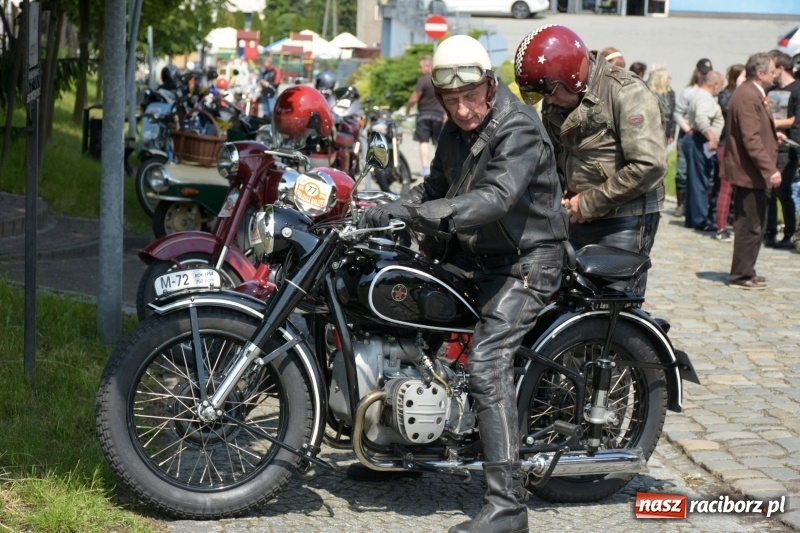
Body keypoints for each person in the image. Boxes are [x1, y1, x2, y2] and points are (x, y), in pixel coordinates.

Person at [363, 34, 568, 533]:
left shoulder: (518, 128)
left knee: (487, 365)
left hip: (528, 260)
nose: (462, 109)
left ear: (490, 86)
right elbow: (436, 187)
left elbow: (497, 196)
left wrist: (426, 213)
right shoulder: (456, 130)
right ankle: (392, 443)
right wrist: (382, 207)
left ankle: (507, 507)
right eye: (450, 100)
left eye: (470, 96)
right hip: (478, 254)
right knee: (406, 314)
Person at [514, 24, 666, 295]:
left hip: (624, 218)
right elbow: (555, 156)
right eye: (543, 93)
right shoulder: (557, 98)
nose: (549, 99)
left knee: (611, 300)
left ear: (572, 75)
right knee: (572, 298)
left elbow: (649, 165)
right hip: (577, 216)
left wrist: (588, 202)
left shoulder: (626, 92)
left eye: (551, 90)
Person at [724, 52, 782, 289]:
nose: (775, 74)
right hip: (749, 173)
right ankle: (741, 275)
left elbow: (756, 131)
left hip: (751, 172)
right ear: (760, 73)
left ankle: (748, 270)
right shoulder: (748, 95)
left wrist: (773, 135)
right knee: (750, 225)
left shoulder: (751, 93)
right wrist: (770, 169)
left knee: (755, 223)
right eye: (772, 70)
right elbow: (750, 138)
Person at [681, 70, 725, 231]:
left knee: (695, 180)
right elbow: (701, 117)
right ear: (714, 84)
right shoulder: (705, 98)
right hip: (701, 141)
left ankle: (693, 218)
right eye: (720, 85)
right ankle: (700, 220)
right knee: (700, 181)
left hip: (697, 140)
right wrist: (712, 137)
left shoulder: (698, 94)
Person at [764, 50, 800, 249]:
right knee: (768, 191)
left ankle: (789, 232)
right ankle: (769, 232)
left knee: (783, 191)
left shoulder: (797, 89)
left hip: (788, 149)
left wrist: (773, 123)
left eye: (772, 67)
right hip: (771, 146)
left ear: (781, 68)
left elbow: (796, 120)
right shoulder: (771, 90)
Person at [673, 59, 713, 217]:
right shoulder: (689, 91)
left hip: (703, 134)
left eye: (707, 73)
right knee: (682, 172)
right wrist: (687, 129)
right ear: (697, 72)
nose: (704, 75)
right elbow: (677, 113)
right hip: (688, 133)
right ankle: (681, 204)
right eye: (702, 72)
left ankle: (699, 205)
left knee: (704, 173)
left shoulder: (710, 92)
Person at [714, 63, 746, 242]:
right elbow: (730, 110)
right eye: (743, 76)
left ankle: (736, 224)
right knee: (725, 187)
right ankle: (720, 227)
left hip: (741, 145)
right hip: (726, 144)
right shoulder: (725, 94)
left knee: (739, 187)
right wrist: (740, 88)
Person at [405, 56, 445, 178]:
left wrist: (407, 109)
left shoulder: (423, 80)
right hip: (439, 115)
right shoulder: (440, 80)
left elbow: (414, 97)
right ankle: (441, 167)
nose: (419, 69)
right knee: (438, 142)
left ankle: (425, 168)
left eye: (420, 66)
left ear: (428, 67)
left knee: (423, 142)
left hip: (424, 115)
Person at [648, 67, 677, 145]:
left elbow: (673, 115)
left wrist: (672, 134)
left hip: (666, 130)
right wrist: (652, 73)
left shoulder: (670, 93)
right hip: (653, 131)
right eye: (668, 78)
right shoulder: (650, 93)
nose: (670, 80)